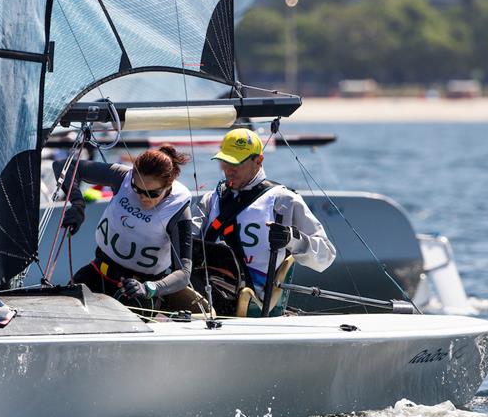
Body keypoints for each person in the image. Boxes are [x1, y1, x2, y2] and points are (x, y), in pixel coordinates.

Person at [193, 128, 336, 315]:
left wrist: (292, 240)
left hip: (253, 304)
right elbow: (185, 247)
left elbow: (325, 257)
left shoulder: (284, 200)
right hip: (206, 296)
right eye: (225, 162)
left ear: (258, 161)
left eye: (236, 163)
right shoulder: (211, 200)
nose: (228, 170)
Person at [53, 145, 192, 305]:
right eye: (136, 188)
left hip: (138, 293)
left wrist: (149, 288)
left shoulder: (178, 209)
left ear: (169, 185)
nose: (142, 197)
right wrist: (78, 203)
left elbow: (183, 273)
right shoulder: (122, 176)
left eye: (152, 193)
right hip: (97, 274)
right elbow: (63, 166)